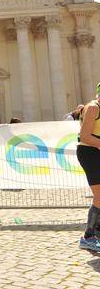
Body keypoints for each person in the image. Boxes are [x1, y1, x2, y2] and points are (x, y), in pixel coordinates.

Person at [76, 83, 100, 251]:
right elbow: (85, 136)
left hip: (97, 150)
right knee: (99, 196)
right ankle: (88, 236)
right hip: (89, 153)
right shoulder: (93, 108)